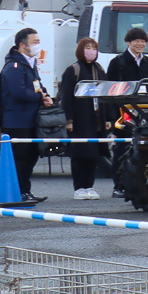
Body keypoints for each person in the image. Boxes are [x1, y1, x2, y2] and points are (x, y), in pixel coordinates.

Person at [0, 26, 52, 202]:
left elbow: (37, 85)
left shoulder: (30, 63)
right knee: (20, 159)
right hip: (17, 121)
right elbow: (18, 92)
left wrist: (45, 95)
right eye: (34, 42)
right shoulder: (14, 65)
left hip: (31, 119)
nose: (38, 45)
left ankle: (25, 191)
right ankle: (18, 192)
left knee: (31, 157)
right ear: (22, 44)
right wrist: (39, 96)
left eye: (39, 42)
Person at [58, 37, 111, 200]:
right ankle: (79, 187)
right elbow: (66, 97)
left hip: (97, 119)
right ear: (81, 50)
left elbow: (106, 95)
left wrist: (108, 118)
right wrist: (69, 120)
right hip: (80, 119)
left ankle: (89, 186)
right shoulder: (73, 70)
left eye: (94, 48)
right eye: (88, 47)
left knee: (94, 154)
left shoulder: (99, 69)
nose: (91, 51)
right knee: (80, 153)